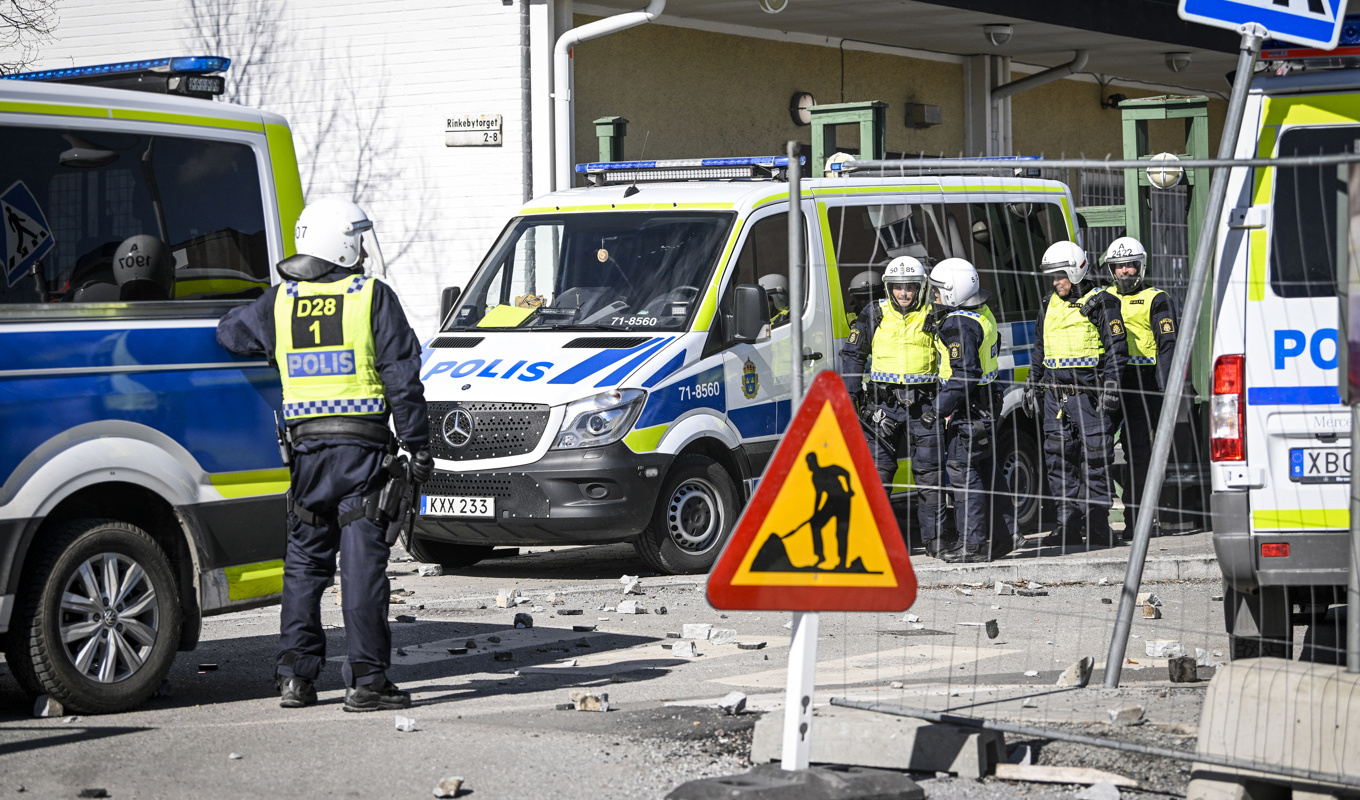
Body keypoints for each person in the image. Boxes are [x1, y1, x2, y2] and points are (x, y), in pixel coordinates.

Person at [217, 197, 431, 712]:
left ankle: (295, 678)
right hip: (363, 458)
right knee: (362, 570)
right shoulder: (372, 297)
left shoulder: (279, 303)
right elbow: (402, 380)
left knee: (304, 568)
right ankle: (367, 684)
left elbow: (228, 332)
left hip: (307, 457)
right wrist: (419, 448)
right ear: (345, 244)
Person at [838, 256, 949, 557]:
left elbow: (952, 357)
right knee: (877, 476)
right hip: (882, 408)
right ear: (889, 288)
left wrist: (948, 399)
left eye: (909, 288)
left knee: (930, 476)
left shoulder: (934, 314)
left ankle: (935, 542)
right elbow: (852, 357)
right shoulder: (873, 313)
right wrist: (849, 397)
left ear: (919, 287)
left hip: (924, 407)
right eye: (898, 288)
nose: (903, 294)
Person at [1026, 241, 1129, 548]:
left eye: (1060, 276)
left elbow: (1116, 349)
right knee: (1060, 460)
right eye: (1052, 277)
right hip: (1055, 396)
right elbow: (1039, 348)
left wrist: (1112, 384)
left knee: (1095, 459)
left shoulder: (1102, 302)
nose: (1056, 282)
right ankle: (1068, 524)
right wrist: (1033, 382)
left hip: (1089, 395)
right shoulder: (1048, 302)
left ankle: (1097, 524)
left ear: (1076, 270)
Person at [924, 258, 1016, 563]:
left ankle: (972, 544)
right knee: (988, 470)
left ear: (953, 291)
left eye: (938, 291)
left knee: (963, 473)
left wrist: (937, 409)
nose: (934, 296)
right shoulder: (981, 312)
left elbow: (964, 374)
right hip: (989, 400)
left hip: (970, 407)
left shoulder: (958, 323)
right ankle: (1007, 535)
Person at [1102, 236, 1177, 539]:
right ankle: (1096, 521)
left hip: (1144, 383)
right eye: (1120, 266)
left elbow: (1167, 348)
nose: (1126, 271)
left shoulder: (1157, 299)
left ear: (1141, 266)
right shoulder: (1102, 296)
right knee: (1097, 450)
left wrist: (1166, 391)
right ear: (1112, 270)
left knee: (1139, 455)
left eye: (1131, 265)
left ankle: (1138, 522)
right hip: (1110, 380)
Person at [805, 452, 854, 569]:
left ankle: (843, 562)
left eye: (810, 463)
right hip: (830, 502)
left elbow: (846, 473)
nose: (809, 465)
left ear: (814, 462)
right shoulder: (815, 477)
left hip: (843, 500)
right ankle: (820, 555)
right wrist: (815, 513)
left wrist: (849, 489)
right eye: (808, 463)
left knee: (841, 532)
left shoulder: (830, 469)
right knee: (815, 524)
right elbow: (819, 495)